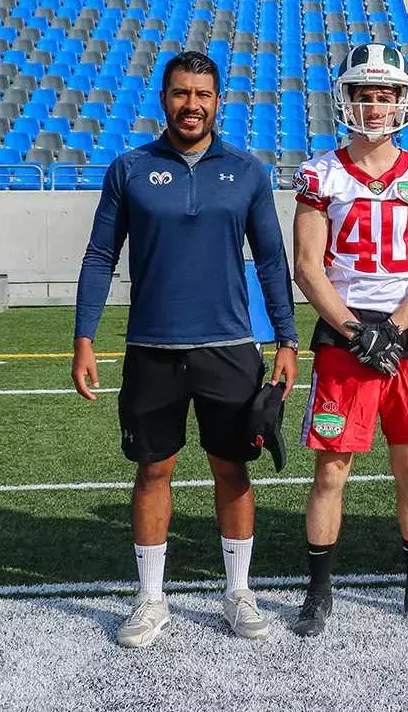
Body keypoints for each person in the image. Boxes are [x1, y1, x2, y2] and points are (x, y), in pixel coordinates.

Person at [71, 50, 299, 648]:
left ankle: (238, 593)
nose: (191, 105)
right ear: (163, 97)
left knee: (233, 468)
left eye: (202, 94)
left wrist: (286, 337)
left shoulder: (248, 171)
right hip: (151, 348)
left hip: (230, 347)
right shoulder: (130, 168)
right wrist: (85, 336)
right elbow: (100, 256)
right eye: (180, 93)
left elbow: (272, 260)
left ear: (218, 101)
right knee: (154, 469)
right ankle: (150, 599)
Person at [289, 43, 408, 637]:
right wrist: (357, 330)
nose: (376, 105)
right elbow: (308, 267)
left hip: (406, 333)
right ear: (347, 100)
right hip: (344, 333)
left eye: (385, 95)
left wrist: (391, 327)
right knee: (332, 471)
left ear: (402, 102)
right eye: (365, 94)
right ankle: (318, 591)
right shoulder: (321, 174)